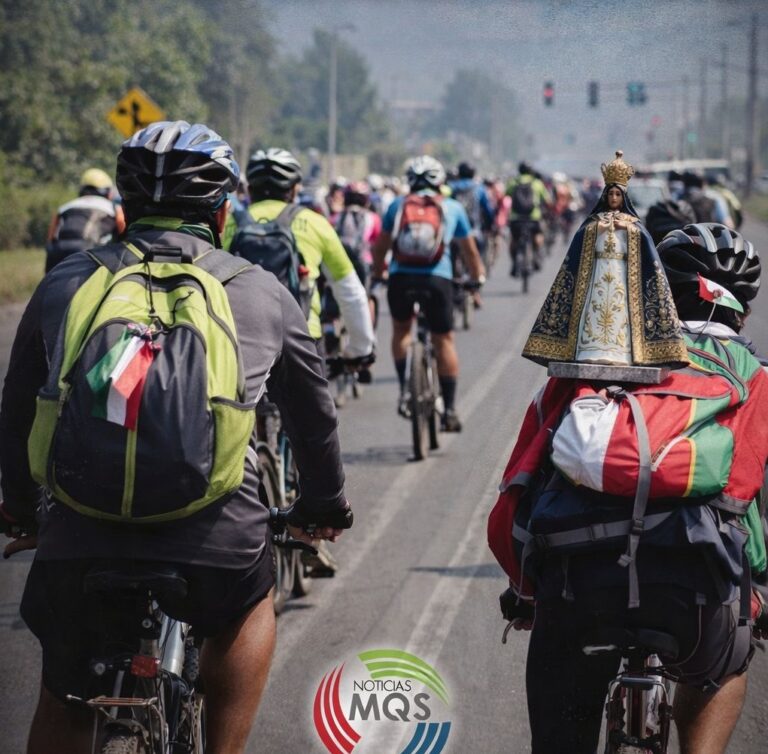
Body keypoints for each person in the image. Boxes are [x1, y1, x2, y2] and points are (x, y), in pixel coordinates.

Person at [0, 121, 352, 754]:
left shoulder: (66, 281)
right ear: (221, 214)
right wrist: (322, 506)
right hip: (215, 536)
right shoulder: (258, 290)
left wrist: (23, 509)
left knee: (64, 685)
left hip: (80, 529)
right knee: (249, 601)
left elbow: (19, 404)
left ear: (124, 210)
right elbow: (314, 415)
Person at [490, 222, 768, 754]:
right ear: (744, 313)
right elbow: (746, 503)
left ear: (651, 296)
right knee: (724, 666)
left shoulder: (590, 365)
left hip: (580, 585)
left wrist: (524, 590)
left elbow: (520, 488)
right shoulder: (755, 379)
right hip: (697, 594)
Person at [223, 149, 375, 365]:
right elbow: (350, 292)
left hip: (240, 339)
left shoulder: (226, 222)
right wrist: (359, 349)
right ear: (295, 189)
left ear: (248, 188)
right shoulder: (315, 223)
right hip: (302, 337)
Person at [371, 155, 485, 432]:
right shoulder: (452, 207)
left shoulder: (397, 205)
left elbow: (380, 247)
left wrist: (378, 273)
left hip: (401, 278)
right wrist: (476, 278)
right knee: (443, 339)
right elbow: (469, 251)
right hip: (438, 280)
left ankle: (405, 388)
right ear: (439, 181)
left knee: (401, 330)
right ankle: (450, 411)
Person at [44, 168, 126, 272]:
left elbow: (50, 238)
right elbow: (124, 231)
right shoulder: (113, 208)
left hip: (57, 252)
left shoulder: (64, 207)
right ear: (107, 191)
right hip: (88, 252)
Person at [505, 162, 551, 276]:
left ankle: (514, 264)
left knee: (514, 240)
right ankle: (536, 256)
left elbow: (506, 195)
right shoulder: (537, 183)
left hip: (516, 218)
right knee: (538, 236)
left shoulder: (513, 182)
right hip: (533, 218)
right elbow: (548, 200)